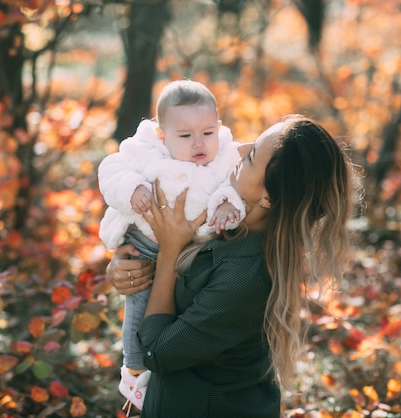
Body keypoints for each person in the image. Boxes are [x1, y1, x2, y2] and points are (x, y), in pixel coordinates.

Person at [105, 114, 362, 417]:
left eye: (252, 157)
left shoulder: (247, 277)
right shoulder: (223, 213)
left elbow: (156, 351)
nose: (239, 152)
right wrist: (124, 267)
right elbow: (162, 259)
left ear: (267, 198)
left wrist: (169, 253)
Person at [97, 80, 246, 411]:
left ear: (219, 128)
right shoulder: (145, 149)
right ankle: (134, 370)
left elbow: (233, 184)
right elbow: (111, 169)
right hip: (145, 243)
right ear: (162, 134)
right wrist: (132, 187)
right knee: (138, 304)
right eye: (185, 136)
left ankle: (165, 369)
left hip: (193, 249)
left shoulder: (224, 157)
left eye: (208, 133)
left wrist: (226, 203)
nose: (199, 143)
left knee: (175, 309)